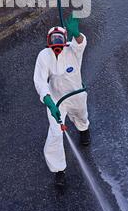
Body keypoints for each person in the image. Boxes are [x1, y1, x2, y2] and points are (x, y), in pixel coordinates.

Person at [33, 15, 90, 187]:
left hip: (76, 95)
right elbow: (40, 81)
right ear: (48, 43)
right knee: (56, 133)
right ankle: (59, 170)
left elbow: (81, 43)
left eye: (60, 42)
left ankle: (83, 128)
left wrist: (77, 33)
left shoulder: (73, 50)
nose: (57, 46)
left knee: (81, 116)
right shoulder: (44, 56)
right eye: (53, 42)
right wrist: (48, 101)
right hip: (56, 100)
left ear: (65, 41)